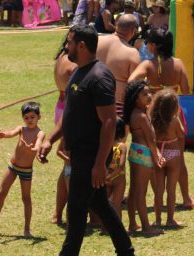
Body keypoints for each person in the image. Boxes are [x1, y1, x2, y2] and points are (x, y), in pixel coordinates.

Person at [37, 25, 135, 255]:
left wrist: (100, 163)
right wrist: (50, 140)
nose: (66, 46)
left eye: (69, 42)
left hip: (91, 155)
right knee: (99, 203)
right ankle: (126, 251)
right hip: (79, 153)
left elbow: (109, 122)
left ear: (81, 46)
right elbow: (69, 114)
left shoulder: (99, 77)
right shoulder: (78, 72)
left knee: (76, 208)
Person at [127, 28, 194, 211]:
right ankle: (186, 198)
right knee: (179, 157)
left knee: (155, 156)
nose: (147, 45)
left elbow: (131, 81)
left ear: (155, 46)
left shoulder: (147, 65)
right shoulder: (178, 63)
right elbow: (186, 90)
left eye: (149, 43)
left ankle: (158, 199)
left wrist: (150, 89)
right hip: (175, 114)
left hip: (154, 115)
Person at [0, 102, 45, 238]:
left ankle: (27, 229)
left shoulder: (40, 133)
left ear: (39, 117)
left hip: (26, 170)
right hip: (13, 167)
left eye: (32, 117)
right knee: (1, 193)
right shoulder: (21, 129)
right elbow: (11, 133)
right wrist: (3, 134)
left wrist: (34, 148)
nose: (29, 120)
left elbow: (38, 144)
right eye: (26, 117)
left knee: (26, 198)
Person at [124, 79, 164, 235]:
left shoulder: (139, 112)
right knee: (141, 192)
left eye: (149, 93)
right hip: (144, 153)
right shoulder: (140, 115)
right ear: (136, 98)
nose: (149, 96)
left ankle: (133, 224)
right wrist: (157, 156)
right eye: (144, 94)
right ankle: (146, 227)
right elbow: (150, 139)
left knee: (134, 190)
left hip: (137, 151)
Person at [52, 37, 77, 225]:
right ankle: (67, 215)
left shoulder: (61, 56)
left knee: (66, 167)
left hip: (61, 105)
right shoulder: (74, 64)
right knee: (70, 167)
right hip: (70, 109)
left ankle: (58, 213)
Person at [150, 91, 185, 228]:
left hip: (159, 154)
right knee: (171, 189)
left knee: (158, 191)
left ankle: (158, 220)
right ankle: (170, 219)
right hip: (173, 154)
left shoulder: (153, 120)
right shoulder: (174, 120)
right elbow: (181, 134)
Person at [96, 14, 140, 121]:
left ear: (116, 25)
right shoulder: (132, 53)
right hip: (117, 106)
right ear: (133, 30)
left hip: (92, 100)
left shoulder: (96, 41)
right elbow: (135, 86)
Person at [106, 118, 128, 218]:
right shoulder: (122, 146)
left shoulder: (105, 144)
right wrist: (112, 176)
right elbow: (121, 165)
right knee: (116, 205)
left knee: (106, 205)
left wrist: (107, 176)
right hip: (118, 179)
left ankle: (105, 225)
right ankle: (118, 225)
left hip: (106, 178)